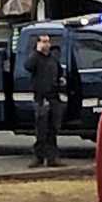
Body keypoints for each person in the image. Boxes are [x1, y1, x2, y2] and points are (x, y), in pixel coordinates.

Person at [24, 34, 65, 168]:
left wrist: (61, 80)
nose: (46, 44)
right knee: (41, 129)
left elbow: (59, 72)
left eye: (47, 42)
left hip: (54, 98)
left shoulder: (53, 58)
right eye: (43, 42)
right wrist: (36, 52)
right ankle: (39, 158)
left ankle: (52, 158)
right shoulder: (35, 58)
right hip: (41, 99)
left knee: (53, 129)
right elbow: (27, 66)